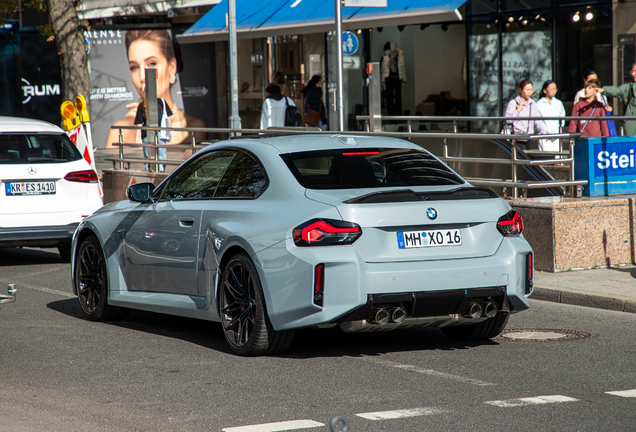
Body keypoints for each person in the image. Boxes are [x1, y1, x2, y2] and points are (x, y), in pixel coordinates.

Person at [105, 30, 206, 149]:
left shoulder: (193, 128)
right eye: (134, 67)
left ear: (171, 67)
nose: (142, 76)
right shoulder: (119, 131)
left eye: (152, 64)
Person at [505, 79, 547, 148]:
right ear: (520, 90)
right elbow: (508, 120)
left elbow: (537, 119)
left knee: (527, 156)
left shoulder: (532, 103)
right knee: (520, 156)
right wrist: (517, 111)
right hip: (517, 136)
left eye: (531, 90)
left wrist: (543, 132)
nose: (529, 92)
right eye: (527, 90)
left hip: (529, 136)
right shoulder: (513, 103)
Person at [134, 95, 172, 172]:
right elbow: (169, 117)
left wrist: (137, 137)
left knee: (148, 157)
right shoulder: (161, 102)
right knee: (161, 155)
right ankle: (160, 174)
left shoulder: (142, 104)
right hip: (161, 132)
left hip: (146, 133)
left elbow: (140, 123)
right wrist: (168, 131)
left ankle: (150, 174)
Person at [599, 62, 636, 136]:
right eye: (632, 71)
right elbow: (618, 90)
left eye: (635, 71)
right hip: (632, 124)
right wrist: (604, 90)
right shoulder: (629, 87)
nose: (633, 74)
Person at [536, 80, 566, 152]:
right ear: (545, 90)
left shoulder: (558, 103)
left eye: (555, 89)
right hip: (545, 136)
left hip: (557, 135)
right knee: (547, 157)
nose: (553, 91)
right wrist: (543, 133)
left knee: (558, 157)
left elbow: (562, 117)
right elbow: (538, 121)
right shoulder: (539, 104)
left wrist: (560, 130)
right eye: (551, 89)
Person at [381, 42, 406, 116]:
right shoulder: (386, 57)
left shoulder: (400, 56)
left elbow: (403, 68)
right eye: (391, 46)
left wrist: (404, 79)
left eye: (394, 46)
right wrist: (383, 80)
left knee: (398, 97)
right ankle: (391, 115)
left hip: (397, 78)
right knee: (389, 98)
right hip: (389, 79)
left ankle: (399, 115)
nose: (393, 47)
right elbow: (384, 69)